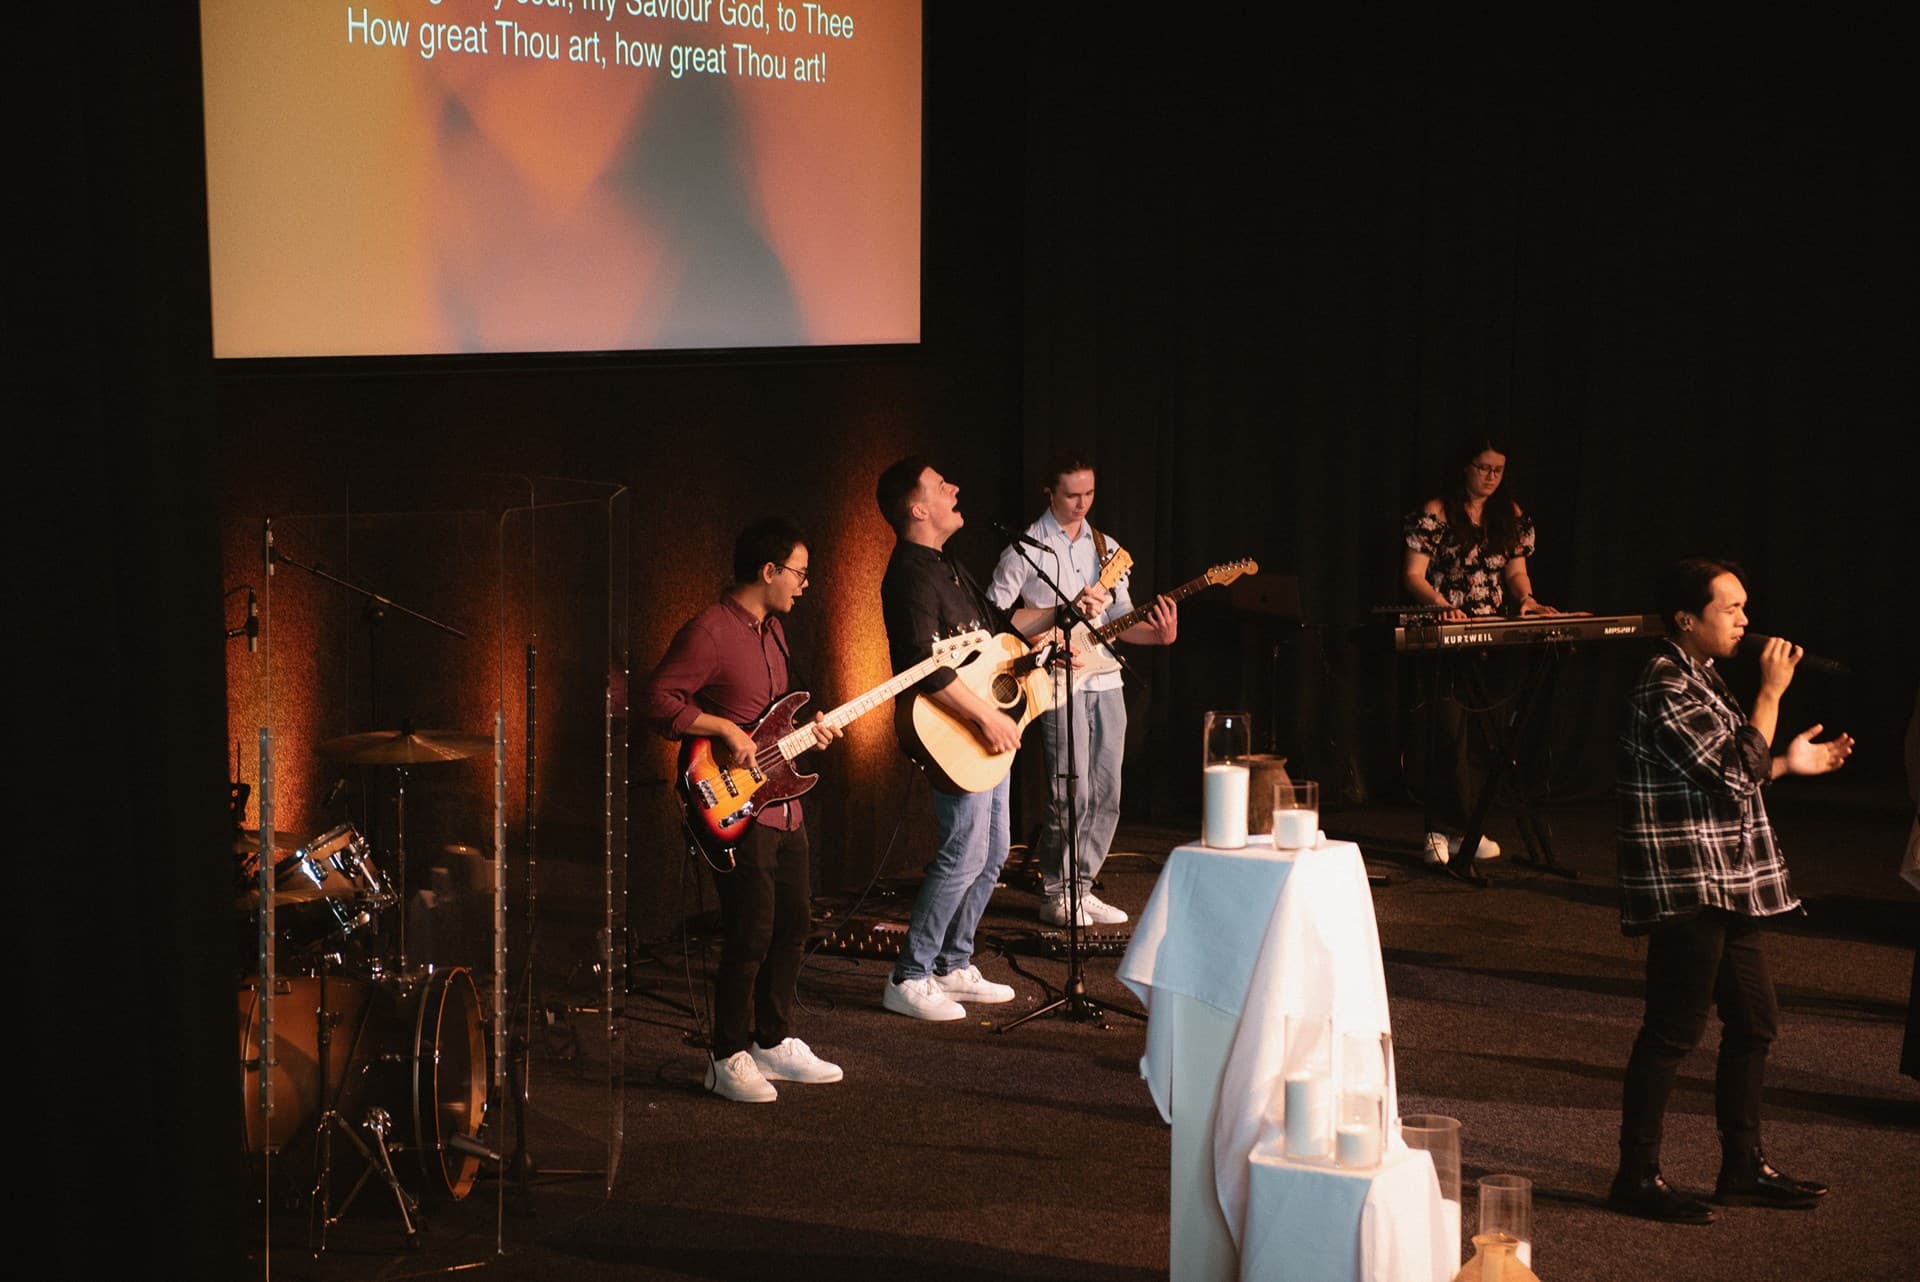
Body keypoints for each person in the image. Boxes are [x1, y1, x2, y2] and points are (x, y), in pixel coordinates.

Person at [1607, 557, 1853, 1222]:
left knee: (1755, 1021)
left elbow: (1728, 767)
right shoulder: (1665, 683)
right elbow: (1734, 774)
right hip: (1689, 882)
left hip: (1729, 881)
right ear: (1686, 619)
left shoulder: (1702, 675)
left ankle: (1742, 1166)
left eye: (1745, 606)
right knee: (1672, 1032)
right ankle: (1636, 1176)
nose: (1746, 620)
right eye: (1731, 608)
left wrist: (1788, 763)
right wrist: (1771, 693)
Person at [641, 517, 844, 1102]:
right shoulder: (709, 631)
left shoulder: (775, 631)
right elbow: (657, 699)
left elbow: (772, 720)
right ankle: (726, 1055)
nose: (805, 585)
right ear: (768, 571)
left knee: (793, 925)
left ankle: (771, 1040)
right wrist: (723, 728)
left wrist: (808, 735)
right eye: (799, 573)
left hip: (784, 805)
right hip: (735, 806)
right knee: (750, 931)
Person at [874, 457, 1064, 1020]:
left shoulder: (947, 565)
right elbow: (922, 665)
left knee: (994, 852)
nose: (955, 487)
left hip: (985, 728)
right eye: (941, 485)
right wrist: (984, 717)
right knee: (964, 851)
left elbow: (998, 631)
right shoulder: (909, 573)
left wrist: (1063, 622)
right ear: (918, 508)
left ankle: (952, 963)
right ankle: (909, 975)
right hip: (959, 729)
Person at [987, 451, 1177, 927]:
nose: (1082, 503)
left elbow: (1120, 619)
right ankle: (1056, 893)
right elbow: (994, 616)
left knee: (1108, 790)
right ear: (1049, 492)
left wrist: (1157, 635)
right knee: (1070, 790)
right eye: (1072, 494)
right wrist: (1048, 631)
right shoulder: (1026, 548)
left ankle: (1082, 887)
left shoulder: (1106, 547)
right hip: (1056, 678)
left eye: (1089, 493)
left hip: (1106, 675)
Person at [1401, 437, 1561, 866]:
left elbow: (1516, 572)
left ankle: (1467, 829)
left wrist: (1527, 600)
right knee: (1447, 733)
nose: (1491, 477)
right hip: (1447, 626)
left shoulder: (1509, 513)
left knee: (1485, 735)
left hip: (1490, 631)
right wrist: (1441, 606)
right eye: (1483, 468)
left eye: (1498, 470)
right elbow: (1414, 575)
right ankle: (1438, 829)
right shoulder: (1437, 511)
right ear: (1465, 467)